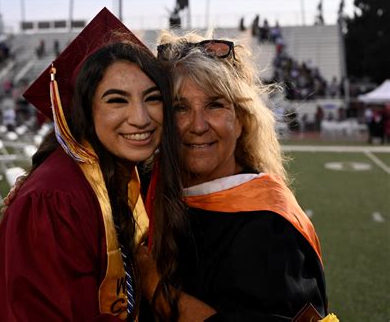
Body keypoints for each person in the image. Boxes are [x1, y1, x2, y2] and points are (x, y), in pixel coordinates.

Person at [0, 8, 183, 321]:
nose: (141, 118)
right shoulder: (55, 198)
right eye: (116, 100)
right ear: (83, 112)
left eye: (152, 97)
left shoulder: (120, 176)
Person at [139, 32, 335, 321]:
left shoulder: (271, 226)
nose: (198, 125)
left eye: (215, 105)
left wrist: (155, 287)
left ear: (242, 120)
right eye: (180, 108)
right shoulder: (148, 190)